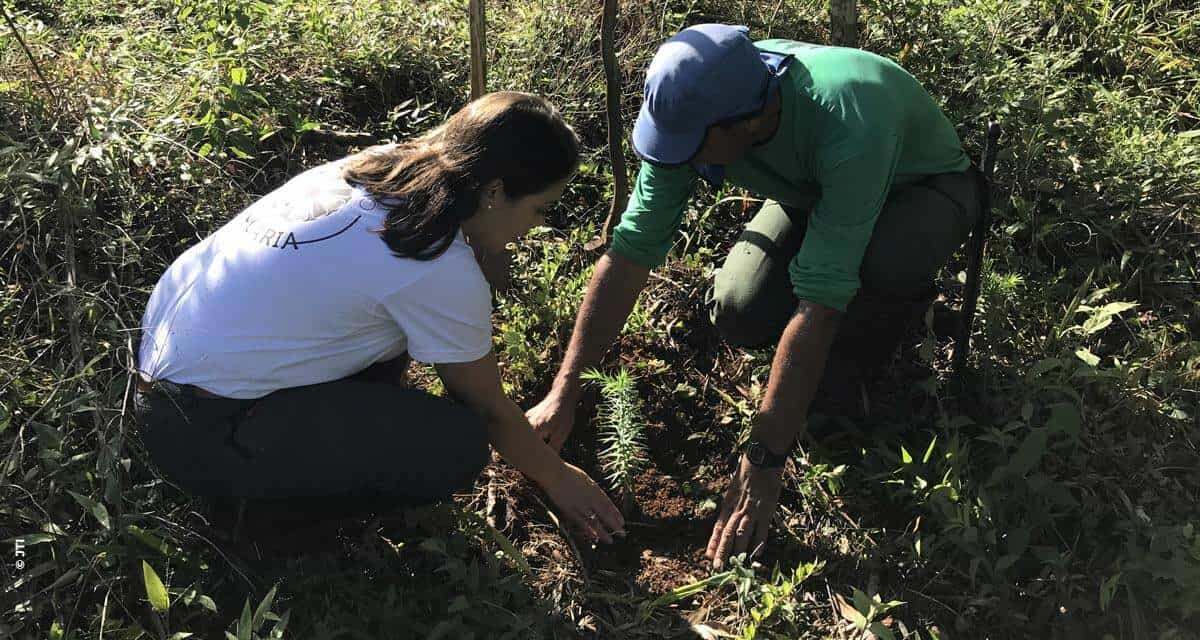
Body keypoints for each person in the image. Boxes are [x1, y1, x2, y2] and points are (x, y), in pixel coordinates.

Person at [526, 25, 984, 569]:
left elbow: (819, 300)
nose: (678, 158)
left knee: (875, 268)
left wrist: (763, 464)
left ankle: (885, 331)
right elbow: (630, 252)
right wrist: (565, 388)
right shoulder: (695, 110)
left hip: (923, 188)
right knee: (739, 309)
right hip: (814, 190)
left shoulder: (848, 116)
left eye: (692, 145)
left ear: (749, 122)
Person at [134, 92, 625, 548]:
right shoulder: (434, 266)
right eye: (540, 209)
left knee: (383, 338)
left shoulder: (378, 169)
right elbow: (490, 410)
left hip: (158, 381)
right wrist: (558, 477)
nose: (538, 224)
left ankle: (277, 462)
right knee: (455, 445)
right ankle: (270, 522)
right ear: (494, 191)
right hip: (201, 433)